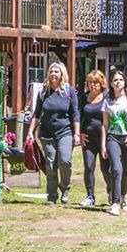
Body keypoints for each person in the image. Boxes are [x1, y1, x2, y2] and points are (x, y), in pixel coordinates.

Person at [27, 62, 80, 205]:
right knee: (50, 165)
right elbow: (36, 114)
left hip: (65, 132)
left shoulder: (69, 92)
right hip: (46, 133)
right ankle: (51, 195)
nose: (53, 74)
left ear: (62, 74)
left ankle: (65, 188)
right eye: (51, 71)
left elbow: (75, 114)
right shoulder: (44, 92)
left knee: (65, 161)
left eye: (56, 71)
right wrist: (30, 132)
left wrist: (77, 134)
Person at [102, 70, 127, 215]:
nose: (118, 82)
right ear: (111, 84)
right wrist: (103, 143)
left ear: (125, 82)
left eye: (120, 80)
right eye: (115, 80)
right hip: (113, 137)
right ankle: (115, 202)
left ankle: (124, 195)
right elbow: (105, 124)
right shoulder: (107, 101)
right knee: (116, 169)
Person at [80, 70, 110, 207]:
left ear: (101, 84)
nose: (93, 85)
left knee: (106, 169)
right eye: (90, 83)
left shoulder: (107, 98)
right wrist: (80, 132)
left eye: (96, 83)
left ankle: (111, 191)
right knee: (89, 166)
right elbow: (77, 116)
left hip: (105, 139)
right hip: (88, 139)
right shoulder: (83, 98)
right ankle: (90, 196)